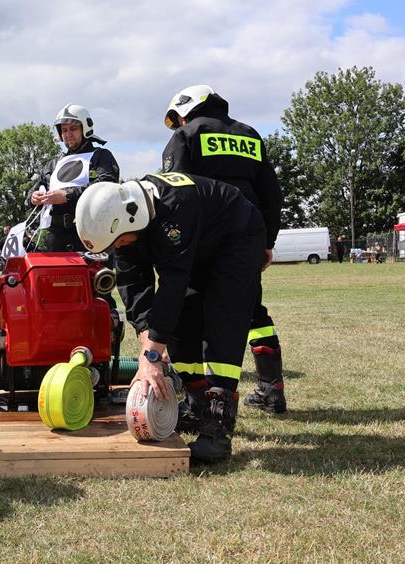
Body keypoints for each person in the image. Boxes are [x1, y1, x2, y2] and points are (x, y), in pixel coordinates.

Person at [76, 172, 265, 463]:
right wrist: (147, 342)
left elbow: (172, 286)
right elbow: (133, 287)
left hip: (237, 237)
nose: (117, 249)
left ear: (129, 222)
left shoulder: (173, 210)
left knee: (222, 319)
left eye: (117, 243)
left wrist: (151, 357)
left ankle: (217, 429)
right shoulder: (124, 229)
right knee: (181, 324)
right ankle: (196, 403)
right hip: (199, 246)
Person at [161, 84, 287, 417]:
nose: (179, 124)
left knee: (191, 315)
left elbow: (176, 192)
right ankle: (272, 391)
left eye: (179, 117)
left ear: (188, 108)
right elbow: (271, 194)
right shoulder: (250, 135)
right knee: (252, 312)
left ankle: (197, 400)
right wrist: (267, 242)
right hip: (247, 239)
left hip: (204, 240)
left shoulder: (188, 135)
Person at [29, 104, 120, 252]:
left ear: (85, 128)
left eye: (73, 129)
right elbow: (31, 194)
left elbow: (106, 187)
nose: (68, 134)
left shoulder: (101, 156)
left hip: (91, 231)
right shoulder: (53, 164)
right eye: (64, 130)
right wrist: (34, 197)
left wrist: (68, 195)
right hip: (55, 236)